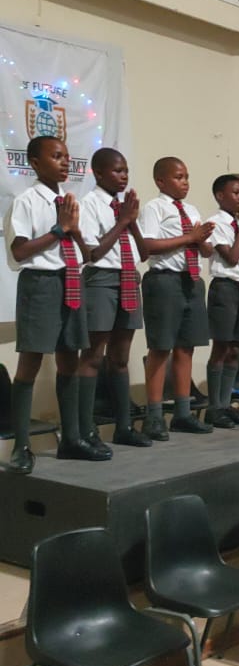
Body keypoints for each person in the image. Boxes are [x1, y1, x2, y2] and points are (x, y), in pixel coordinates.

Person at [5, 135, 105, 472]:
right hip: (41, 284)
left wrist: (74, 231)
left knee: (69, 359)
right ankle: (21, 447)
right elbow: (19, 251)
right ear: (35, 162)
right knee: (30, 362)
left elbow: (88, 254)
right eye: (56, 156)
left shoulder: (70, 203)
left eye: (66, 156)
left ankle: (72, 439)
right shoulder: (26, 201)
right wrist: (59, 230)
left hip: (71, 279)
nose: (65, 162)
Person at [77, 147, 150, 451]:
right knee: (93, 356)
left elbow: (143, 253)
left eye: (126, 171)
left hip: (129, 277)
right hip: (101, 280)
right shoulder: (89, 204)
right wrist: (122, 222)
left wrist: (132, 221)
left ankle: (124, 427)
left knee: (120, 358)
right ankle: (86, 430)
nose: (123, 176)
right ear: (98, 172)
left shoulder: (124, 207)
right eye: (117, 171)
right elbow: (92, 253)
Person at [138, 156, 214, 440]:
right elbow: (148, 245)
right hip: (164, 281)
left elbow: (204, 249)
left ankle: (183, 414)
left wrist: (203, 241)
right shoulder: (154, 208)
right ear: (160, 181)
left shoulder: (191, 210)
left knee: (186, 347)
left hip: (191, 280)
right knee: (161, 348)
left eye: (187, 177)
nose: (185, 183)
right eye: (178, 177)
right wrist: (190, 238)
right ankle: (154, 416)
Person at [205, 175, 239, 429]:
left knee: (236, 349)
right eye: (235, 193)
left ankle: (226, 405)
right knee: (221, 347)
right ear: (220, 196)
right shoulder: (215, 222)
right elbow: (232, 257)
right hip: (225, 287)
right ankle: (214, 408)